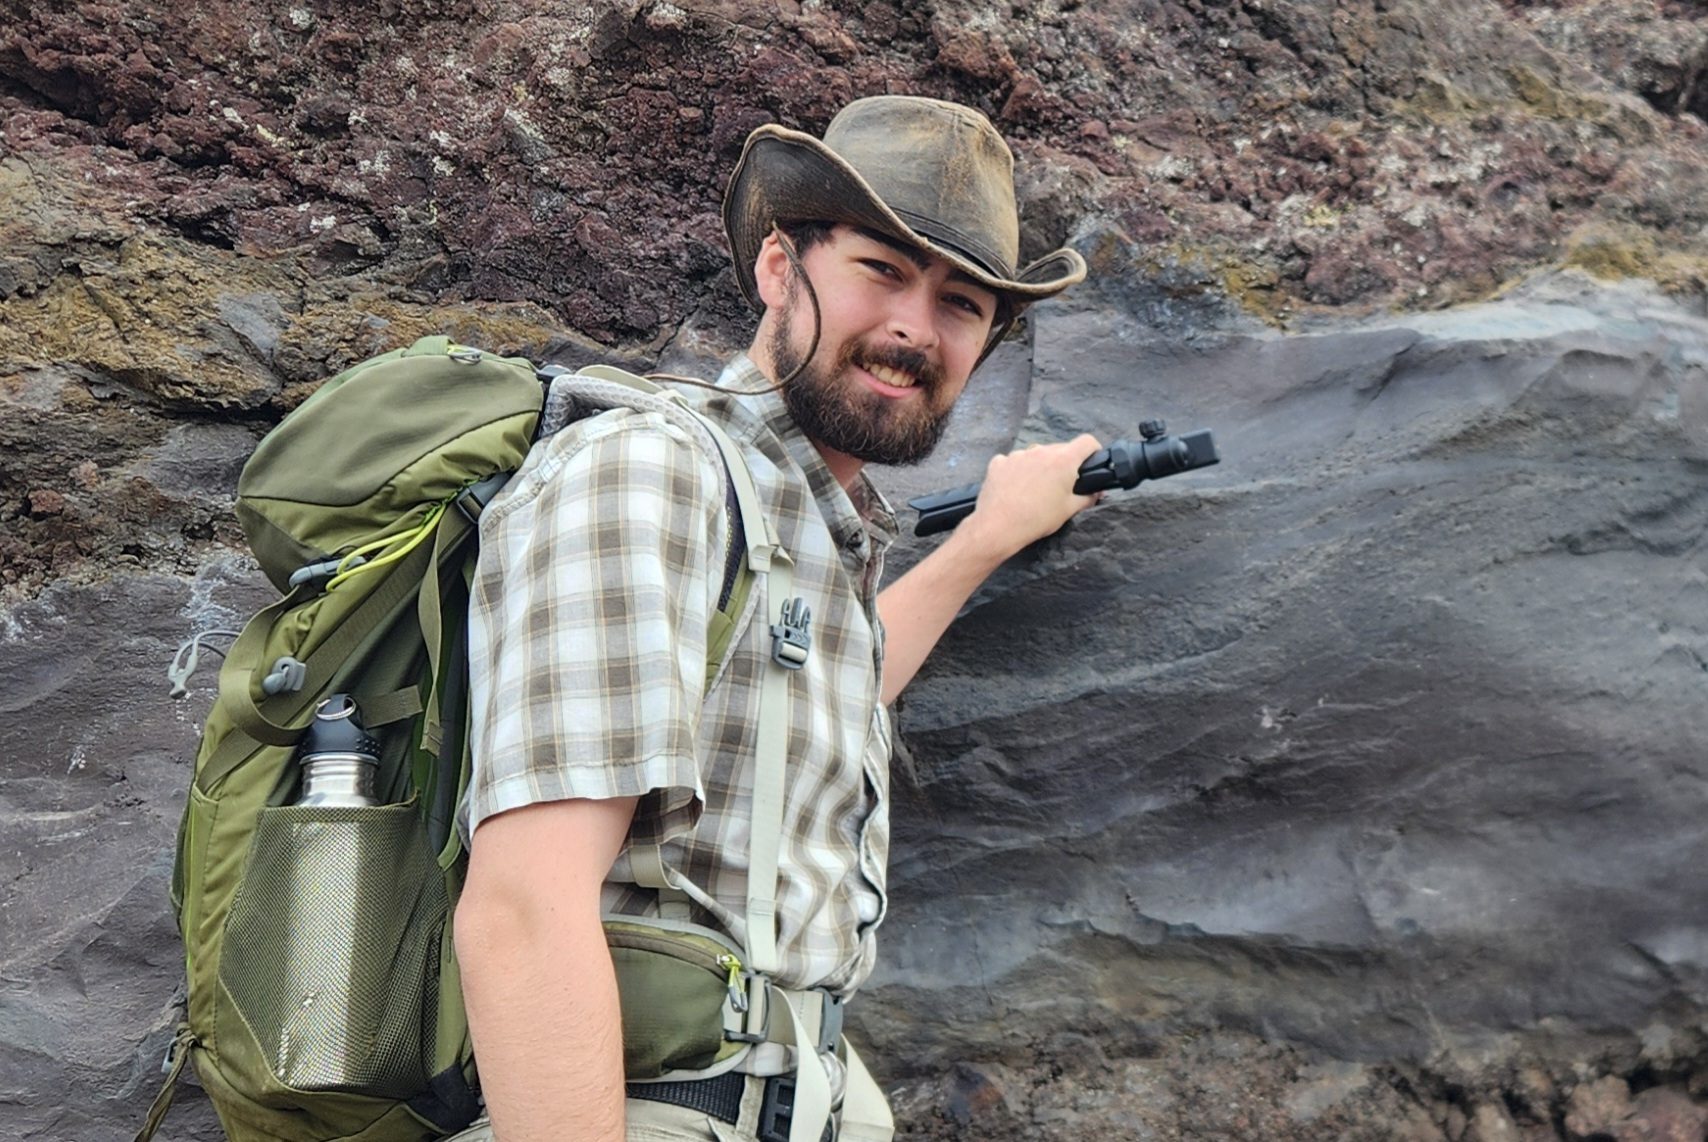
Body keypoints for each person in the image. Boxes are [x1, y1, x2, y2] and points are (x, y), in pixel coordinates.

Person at [448, 95, 1101, 1142]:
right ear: (776, 269)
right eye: (880, 270)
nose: (911, 326)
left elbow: (810, 702)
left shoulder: (806, 520)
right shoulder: (651, 472)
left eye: (961, 302)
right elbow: (522, 909)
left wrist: (981, 540)